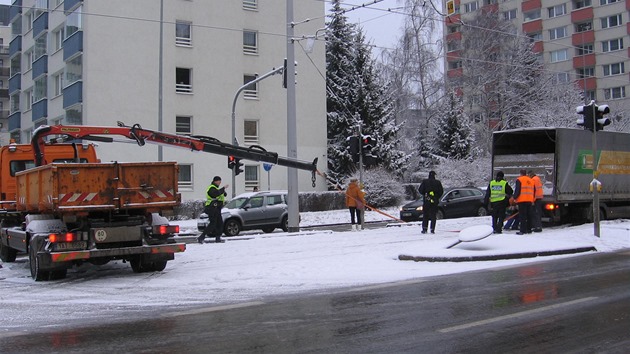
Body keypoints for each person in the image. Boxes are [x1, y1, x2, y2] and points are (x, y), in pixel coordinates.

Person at [197, 176, 229, 244]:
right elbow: (215, 194)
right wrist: (223, 188)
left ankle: (218, 237)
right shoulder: (211, 188)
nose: (220, 182)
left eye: (220, 181)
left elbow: (220, 194)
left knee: (219, 223)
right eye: (219, 181)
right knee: (213, 223)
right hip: (212, 208)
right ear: (215, 181)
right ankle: (201, 237)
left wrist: (223, 192)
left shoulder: (216, 188)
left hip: (217, 208)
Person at [513, 169, 534, 235]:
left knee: (522, 216)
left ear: (520, 173)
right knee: (529, 215)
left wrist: (514, 198)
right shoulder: (531, 180)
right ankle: (529, 229)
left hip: (522, 200)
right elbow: (534, 190)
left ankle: (522, 230)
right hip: (529, 200)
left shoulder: (519, 180)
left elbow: (517, 190)